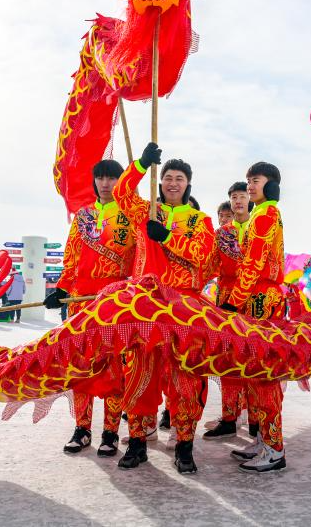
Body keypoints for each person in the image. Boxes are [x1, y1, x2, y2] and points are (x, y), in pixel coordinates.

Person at [113, 142, 216, 474]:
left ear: (188, 185)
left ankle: (184, 446)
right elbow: (121, 192)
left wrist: (167, 237)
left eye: (180, 179)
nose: (173, 183)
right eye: (168, 177)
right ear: (161, 182)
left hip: (185, 309)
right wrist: (141, 164)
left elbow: (202, 256)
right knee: (140, 375)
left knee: (186, 380)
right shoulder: (145, 211)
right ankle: (138, 443)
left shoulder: (200, 220)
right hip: (145, 309)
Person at [47, 159, 136, 458]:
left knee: (113, 368)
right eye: (100, 177)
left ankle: (110, 432)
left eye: (112, 178)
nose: (106, 183)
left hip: (114, 302)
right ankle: (82, 428)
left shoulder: (129, 216)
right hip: (80, 301)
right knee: (80, 365)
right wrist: (61, 287)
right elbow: (71, 255)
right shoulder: (83, 216)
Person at [221, 161, 287, 473]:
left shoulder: (266, 215)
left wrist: (233, 302)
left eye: (256, 180)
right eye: (248, 180)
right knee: (253, 374)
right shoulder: (259, 215)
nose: (249, 186)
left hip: (260, 300)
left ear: (271, 184)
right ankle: (263, 439)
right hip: (255, 299)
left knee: (263, 377)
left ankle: (274, 449)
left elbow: (253, 263)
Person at [203, 182, 258, 441]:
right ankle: (229, 418)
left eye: (242, 196)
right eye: (233, 196)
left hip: (254, 303)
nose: (237, 201)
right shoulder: (222, 233)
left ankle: (258, 420)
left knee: (255, 360)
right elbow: (210, 265)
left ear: (250, 199)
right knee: (228, 361)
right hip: (225, 303)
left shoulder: (261, 227)